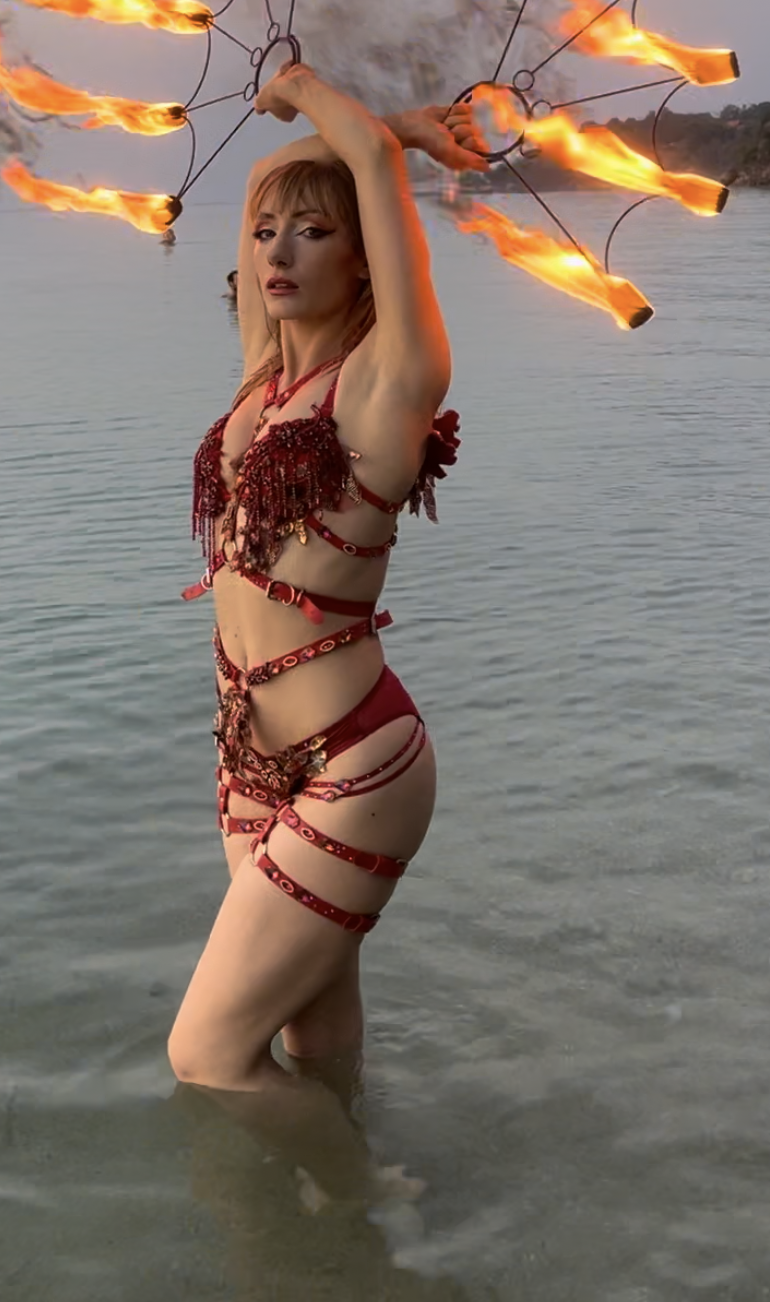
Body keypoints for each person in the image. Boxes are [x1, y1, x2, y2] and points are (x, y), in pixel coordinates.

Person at [168, 61, 487, 1098]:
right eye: (267, 234)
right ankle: (343, 1222)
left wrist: (310, 88)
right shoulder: (267, 372)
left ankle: (348, 1211)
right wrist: (376, 134)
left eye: (313, 231)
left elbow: (365, 161)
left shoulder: (389, 383)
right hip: (247, 764)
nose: (277, 249)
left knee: (206, 1057)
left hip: (357, 766)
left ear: (365, 259)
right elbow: (275, 167)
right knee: (309, 1036)